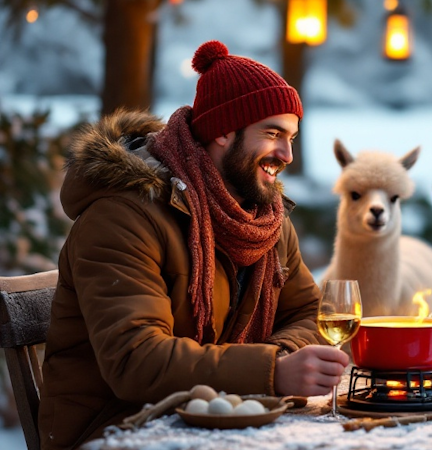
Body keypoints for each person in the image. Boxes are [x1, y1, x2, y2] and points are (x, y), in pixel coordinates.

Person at [38, 41, 348, 450]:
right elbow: (136, 360)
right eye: (272, 134)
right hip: (120, 429)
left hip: (224, 417)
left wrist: (278, 359)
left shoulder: (262, 218)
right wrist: (272, 372)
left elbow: (310, 312)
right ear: (222, 130)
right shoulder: (122, 218)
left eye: (291, 137)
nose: (287, 154)